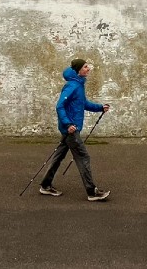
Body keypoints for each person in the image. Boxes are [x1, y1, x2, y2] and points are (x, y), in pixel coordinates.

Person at [39, 58, 111, 201]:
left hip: (71, 128)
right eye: (85, 67)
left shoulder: (78, 85)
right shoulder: (72, 86)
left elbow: (83, 103)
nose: (88, 68)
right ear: (78, 70)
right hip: (71, 129)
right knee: (83, 157)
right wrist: (67, 124)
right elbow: (59, 106)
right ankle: (92, 192)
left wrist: (100, 108)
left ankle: (45, 185)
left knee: (58, 156)